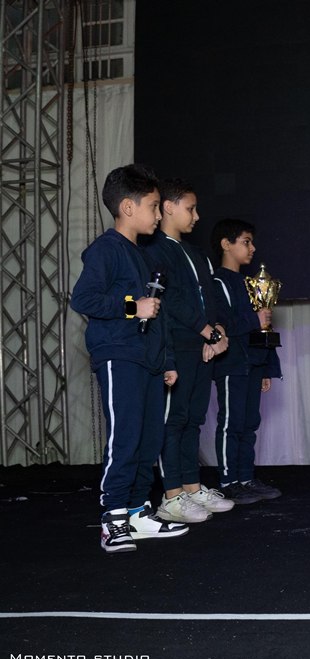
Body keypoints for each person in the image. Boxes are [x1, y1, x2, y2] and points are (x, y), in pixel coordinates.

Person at [70, 164, 189, 553]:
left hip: (149, 360)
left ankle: (138, 513)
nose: (157, 214)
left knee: (148, 438)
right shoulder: (105, 249)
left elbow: (157, 313)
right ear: (127, 207)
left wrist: (167, 360)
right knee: (125, 437)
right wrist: (130, 307)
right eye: (153, 206)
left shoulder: (142, 255)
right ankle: (113, 518)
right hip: (119, 355)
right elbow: (84, 299)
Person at [141, 178, 233, 523]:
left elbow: (211, 299)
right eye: (190, 209)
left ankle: (192, 487)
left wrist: (217, 332)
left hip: (202, 348)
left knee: (194, 418)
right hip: (176, 346)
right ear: (168, 207)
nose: (196, 216)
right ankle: (172, 495)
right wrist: (206, 330)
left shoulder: (197, 254)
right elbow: (171, 301)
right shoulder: (155, 250)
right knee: (174, 419)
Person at [210, 218, 282, 504]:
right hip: (231, 364)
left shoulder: (250, 284)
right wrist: (255, 319)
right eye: (245, 242)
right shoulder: (217, 282)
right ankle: (228, 482)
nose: (252, 248)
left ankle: (245, 478)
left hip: (253, 363)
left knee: (250, 422)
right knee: (231, 423)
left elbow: (262, 329)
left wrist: (266, 366)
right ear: (226, 244)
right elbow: (221, 325)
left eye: (251, 242)